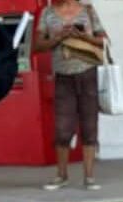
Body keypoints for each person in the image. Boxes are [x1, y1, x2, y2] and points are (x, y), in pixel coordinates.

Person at [35, 0, 108, 191]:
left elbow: (104, 40)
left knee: (89, 125)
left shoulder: (88, 10)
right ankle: (61, 175)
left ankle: (89, 177)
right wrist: (58, 37)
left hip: (88, 72)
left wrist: (84, 36)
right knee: (62, 128)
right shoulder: (47, 13)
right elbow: (38, 45)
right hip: (63, 77)